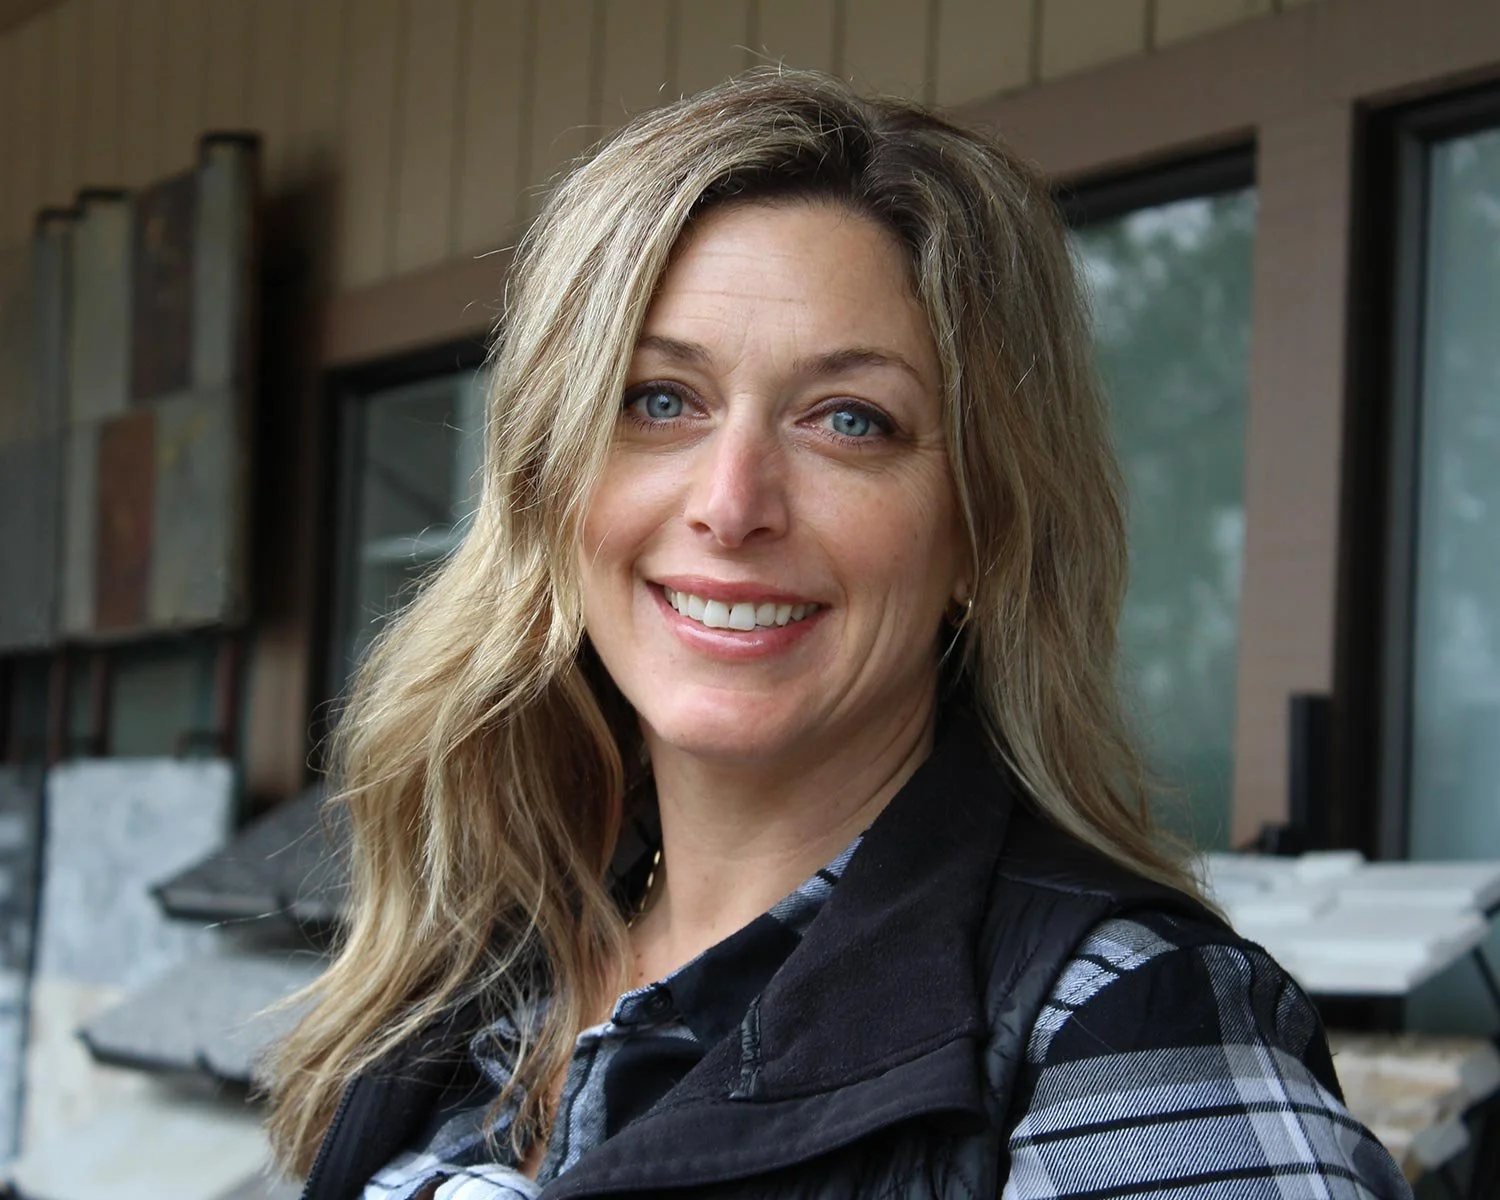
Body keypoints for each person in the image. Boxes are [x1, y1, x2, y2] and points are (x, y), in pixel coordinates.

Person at [268, 71, 1410, 1200]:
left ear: (980, 531)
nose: (731, 501)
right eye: (661, 399)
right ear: (552, 479)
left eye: (849, 420)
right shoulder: (478, 967)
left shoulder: (1125, 1043)